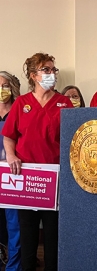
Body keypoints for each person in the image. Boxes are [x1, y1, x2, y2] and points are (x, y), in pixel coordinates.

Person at [1, 53, 73, 271]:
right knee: (28, 235)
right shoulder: (22, 103)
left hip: (55, 180)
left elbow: (73, 139)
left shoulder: (65, 103)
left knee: (53, 236)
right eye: (46, 70)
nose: (52, 74)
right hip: (27, 179)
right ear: (33, 75)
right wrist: (11, 155)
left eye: (53, 70)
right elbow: (9, 136)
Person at [0, 71, 22, 271]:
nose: (1, 90)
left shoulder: (20, 110)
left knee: (14, 224)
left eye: (5, 85)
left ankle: (13, 266)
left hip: (12, 175)